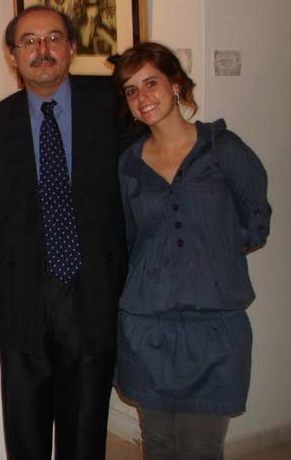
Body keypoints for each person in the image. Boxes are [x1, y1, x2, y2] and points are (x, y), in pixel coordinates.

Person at [0, 5, 127, 460]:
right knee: (26, 426)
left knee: (86, 426)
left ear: (72, 48)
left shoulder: (111, 107)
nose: (43, 49)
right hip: (21, 295)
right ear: (12, 55)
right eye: (29, 41)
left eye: (54, 38)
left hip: (93, 291)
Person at [112, 42, 271, 460]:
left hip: (214, 327)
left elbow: (256, 218)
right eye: (131, 90)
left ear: (176, 85)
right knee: (159, 445)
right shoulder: (128, 164)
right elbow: (129, 240)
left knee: (201, 448)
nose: (142, 97)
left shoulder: (222, 148)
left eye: (151, 83)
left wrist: (211, 258)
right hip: (147, 326)